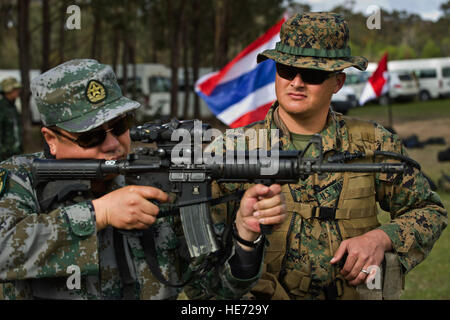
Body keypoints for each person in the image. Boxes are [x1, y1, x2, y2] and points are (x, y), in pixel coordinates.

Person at [0, 59, 287, 300]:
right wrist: (98, 213)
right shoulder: (21, 177)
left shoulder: (156, 178)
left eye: (120, 127)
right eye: (91, 136)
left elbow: (214, 289)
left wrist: (245, 239)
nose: (112, 144)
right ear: (51, 139)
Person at [208, 12, 447, 300]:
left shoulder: (373, 143)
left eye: (312, 74)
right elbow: (203, 261)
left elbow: (429, 211)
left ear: (338, 82)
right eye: (286, 69)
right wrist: (245, 235)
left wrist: (381, 239)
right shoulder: (232, 150)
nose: (296, 82)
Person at [0, 77, 23, 161]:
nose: (18, 91)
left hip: (15, 151)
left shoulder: (13, 107)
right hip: (4, 154)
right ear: (8, 90)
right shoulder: (2, 107)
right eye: (15, 89)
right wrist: (3, 151)